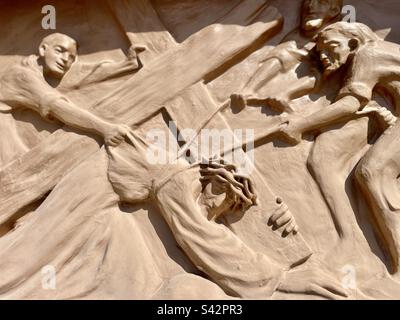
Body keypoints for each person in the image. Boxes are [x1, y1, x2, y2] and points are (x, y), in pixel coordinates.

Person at [105, 130, 348, 299]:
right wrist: (278, 280)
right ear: (209, 179)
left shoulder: (210, 223)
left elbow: (216, 239)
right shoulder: (177, 183)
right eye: (220, 189)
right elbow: (200, 235)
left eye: (231, 202)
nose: (218, 202)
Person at [279, 22, 400, 273]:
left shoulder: (368, 54)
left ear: (353, 43)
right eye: (320, 50)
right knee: (330, 157)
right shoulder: (371, 57)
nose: (324, 55)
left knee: (374, 171)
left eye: (331, 47)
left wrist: (302, 124)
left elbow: (351, 103)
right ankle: (351, 241)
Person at [0, 33, 141, 153]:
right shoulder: (22, 75)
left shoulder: (41, 71)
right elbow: (57, 107)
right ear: (43, 49)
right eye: (59, 50)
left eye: (71, 57)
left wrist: (126, 64)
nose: (65, 59)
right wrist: (105, 128)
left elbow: (83, 73)